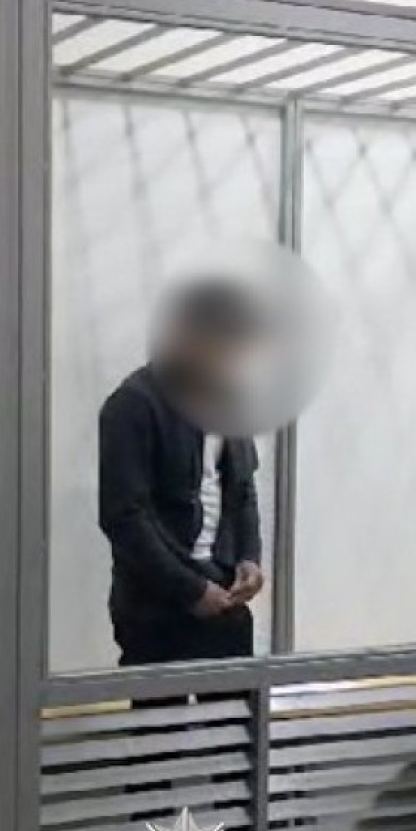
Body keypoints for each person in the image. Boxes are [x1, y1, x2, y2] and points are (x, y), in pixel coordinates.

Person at [99, 276, 266, 668]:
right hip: (153, 603)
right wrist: (189, 590)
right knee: (160, 705)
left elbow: (242, 490)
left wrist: (249, 557)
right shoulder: (132, 405)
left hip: (224, 591)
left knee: (233, 704)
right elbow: (124, 517)